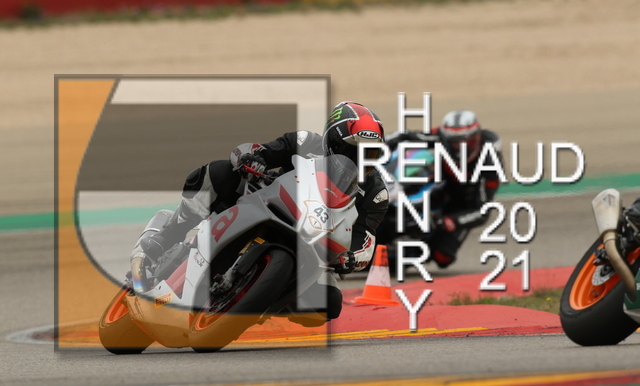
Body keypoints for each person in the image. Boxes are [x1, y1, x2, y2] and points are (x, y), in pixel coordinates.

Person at [140, 101, 390, 322]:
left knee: (328, 303)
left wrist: (352, 257)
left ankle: (262, 298)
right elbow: (261, 151)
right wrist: (252, 159)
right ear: (333, 143)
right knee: (220, 173)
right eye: (356, 150)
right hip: (270, 203)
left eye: (372, 153)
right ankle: (170, 233)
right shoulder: (305, 142)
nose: (363, 159)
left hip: (314, 243)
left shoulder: (376, 191)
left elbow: (365, 238)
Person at [385, 110, 503, 268]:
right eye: (455, 142)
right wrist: (381, 143)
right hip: (442, 185)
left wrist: (448, 221)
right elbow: (405, 135)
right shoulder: (440, 136)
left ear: (477, 137)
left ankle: (408, 251)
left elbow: (482, 212)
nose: (461, 147)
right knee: (415, 156)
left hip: (464, 204)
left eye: (467, 142)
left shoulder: (490, 164)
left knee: (443, 257)